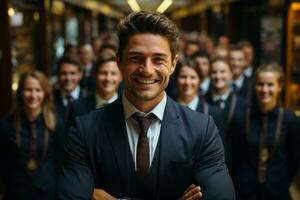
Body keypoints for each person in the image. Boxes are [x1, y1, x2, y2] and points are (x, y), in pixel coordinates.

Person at [57, 11, 235, 200]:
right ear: (119, 61)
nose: (147, 70)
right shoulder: (85, 130)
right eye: (136, 58)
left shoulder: (202, 129)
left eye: (158, 59)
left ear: (174, 64)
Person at [230, 64, 300, 200]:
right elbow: (234, 154)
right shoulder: (241, 116)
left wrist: (281, 180)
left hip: (277, 191)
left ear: (279, 86)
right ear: (255, 86)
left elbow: (295, 159)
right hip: (245, 190)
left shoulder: (290, 119)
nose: (264, 89)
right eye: (260, 84)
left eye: (270, 85)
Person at [0, 71, 65, 199]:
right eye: (28, 90)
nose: (33, 95)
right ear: (20, 93)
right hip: (15, 193)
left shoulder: (56, 123)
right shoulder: (5, 125)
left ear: (45, 94)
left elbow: (61, 162)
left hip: (48, 193)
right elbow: (3, 163)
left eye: (38, 90)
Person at [68, 52, 122, 125]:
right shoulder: (77, 108)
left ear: (121, 77)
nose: (108, 78)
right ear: (95, 75)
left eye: (113, 73)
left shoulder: (126, 108)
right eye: (103, 73)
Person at [174, 59, 220, 128]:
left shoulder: (212, 113)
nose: (188, 82)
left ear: (200, 80)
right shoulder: (166, 109)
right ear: (176, 79)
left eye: (193, 77)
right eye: (183, 77)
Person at [53, 54, 87, 121]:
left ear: (80, 75)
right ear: (58, 75)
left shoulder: (88, 97)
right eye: (64, 73)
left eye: (72, 73)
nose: (68, 78)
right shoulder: (51, 99)